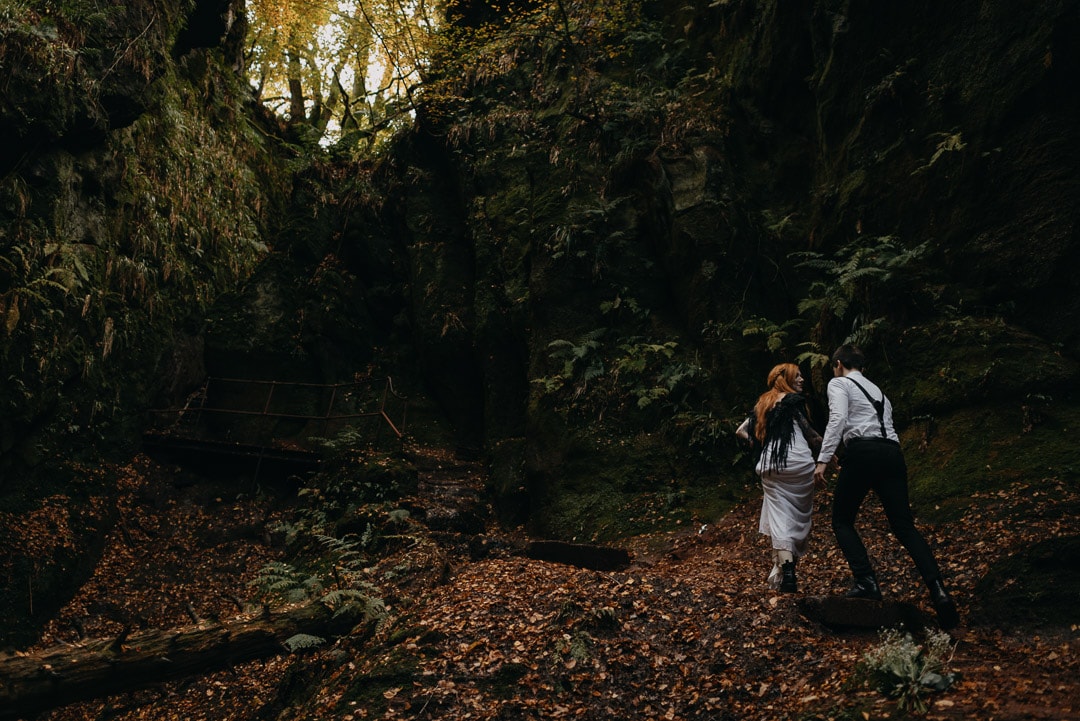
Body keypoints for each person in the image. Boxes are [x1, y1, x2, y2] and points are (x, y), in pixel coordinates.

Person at [812, 344, 960, 629]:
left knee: (842, 520)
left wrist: (822, 459)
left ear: (839, 363)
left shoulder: (839, 383)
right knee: (904, 526)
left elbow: (839, 419)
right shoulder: (880, 393)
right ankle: (939, 590)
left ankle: (866, 581)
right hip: (892, 454)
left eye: (834, 366)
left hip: (863, 452)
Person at [736, 363, 822, 593]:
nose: (802, 380)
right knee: (797, 518)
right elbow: (810, 434)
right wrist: (829, 455)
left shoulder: (763, 403)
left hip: (771, 465)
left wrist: (759, 446)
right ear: (786, 380)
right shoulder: (794, 401)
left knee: (780, 520)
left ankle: (789, 576)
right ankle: (790, 570)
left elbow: (741, 432)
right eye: (798, 376)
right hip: (798, 463)